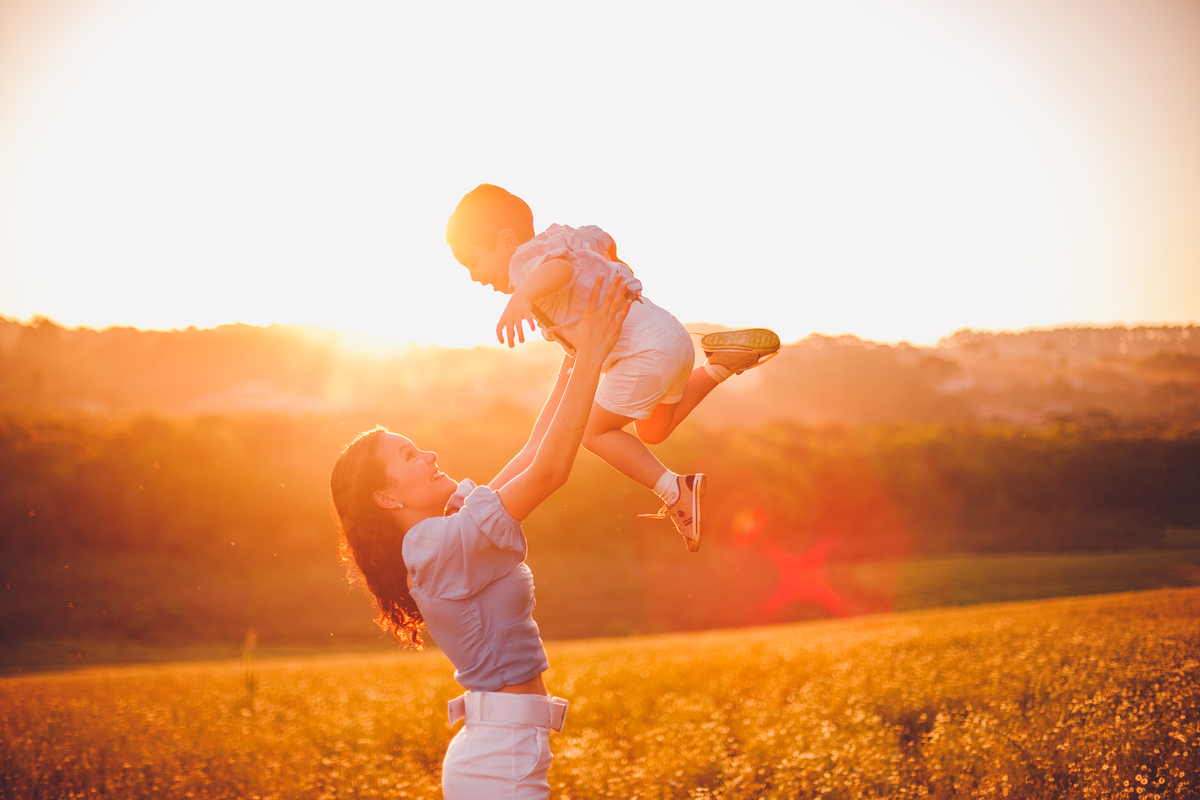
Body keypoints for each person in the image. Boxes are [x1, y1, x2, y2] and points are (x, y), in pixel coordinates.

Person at [330, 278, 631, 799]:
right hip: (498, 759)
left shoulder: (447, 534)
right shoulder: (437, 548)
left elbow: (534, 452)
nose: (430, 457)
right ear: (387, 498)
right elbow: (549, 473)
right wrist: (592, 354)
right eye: (409, 457)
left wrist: (573, 355)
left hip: (506, 746)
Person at [445, 183, 781, 552]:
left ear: (507, 241)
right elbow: (603, 239)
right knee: (652, 430)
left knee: (590, 432)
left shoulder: (525, 262)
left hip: (645, 353)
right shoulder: (563, 238)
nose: (474, 276)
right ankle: (720, 366)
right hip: (666, 334)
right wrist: (615, 268)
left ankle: (675, 490)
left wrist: (524, 295)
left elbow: (558, 271)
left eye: (473, 263)